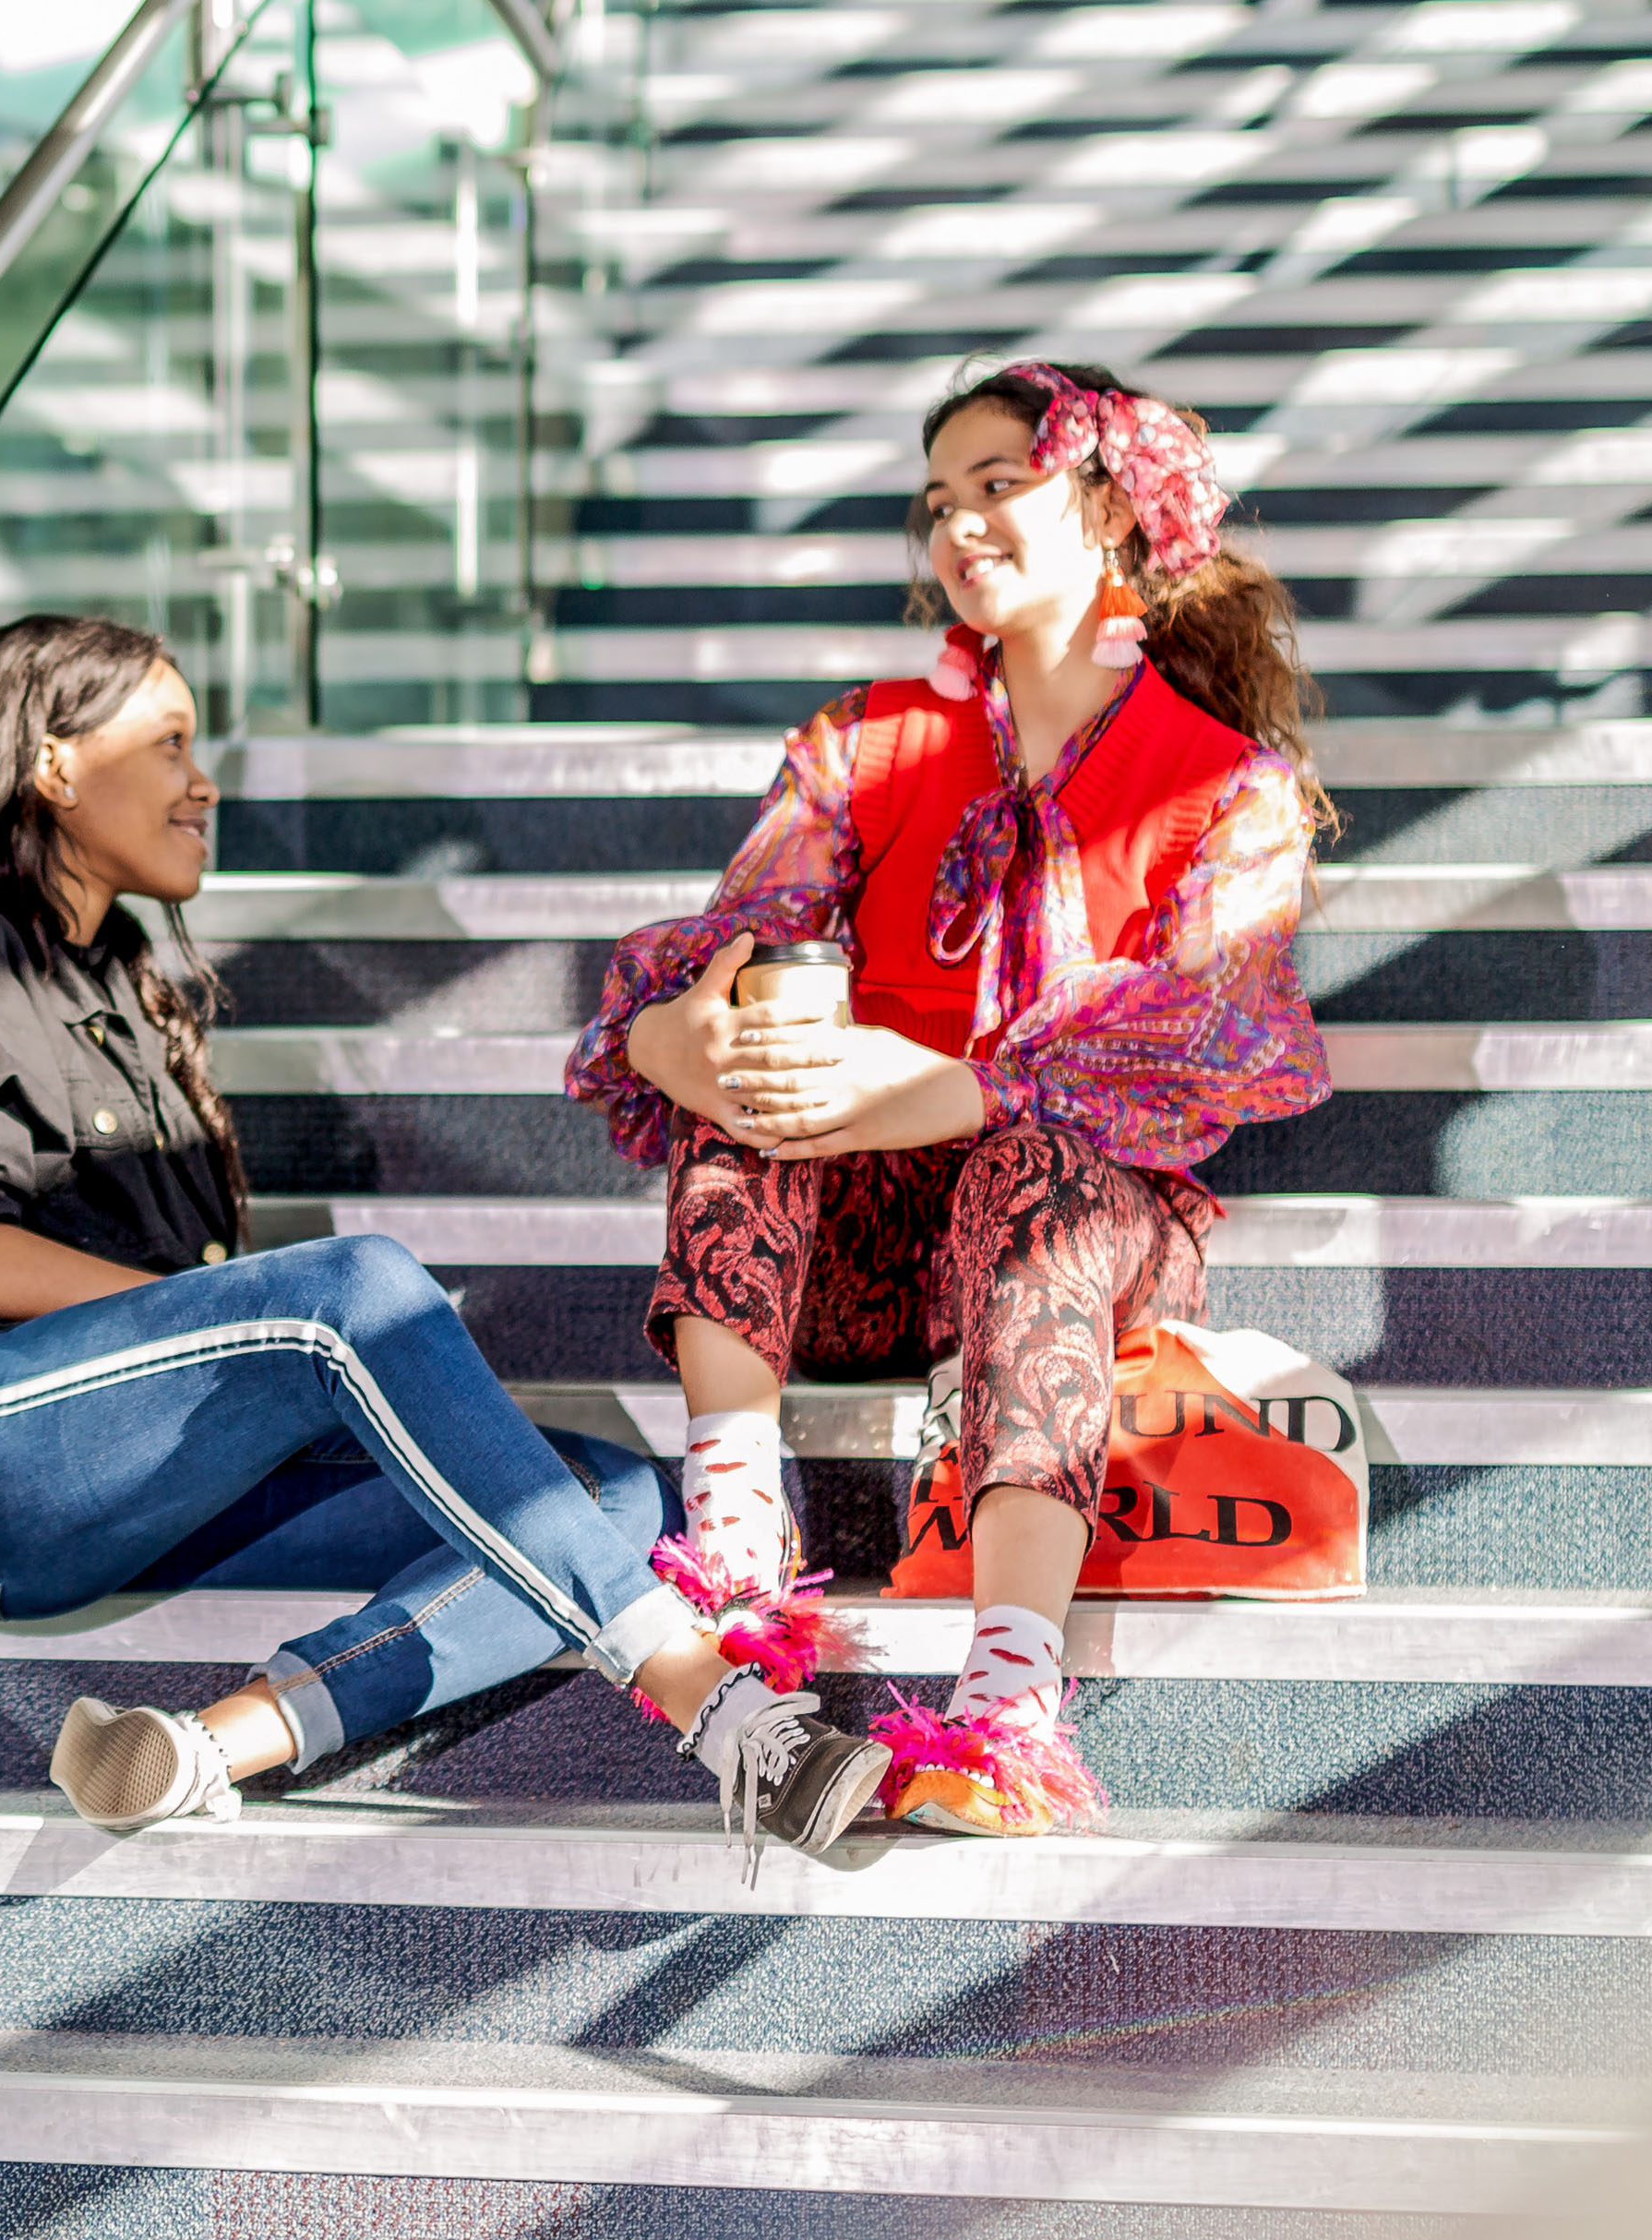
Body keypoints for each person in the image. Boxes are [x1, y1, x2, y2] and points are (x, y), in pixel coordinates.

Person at [0, 614, 890, 1851]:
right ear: (54, 767)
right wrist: (233, 1330)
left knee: (623, 1502)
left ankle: (203, 1747)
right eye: (167, 743)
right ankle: (717, 1712)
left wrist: (231, 1342)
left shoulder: (122, 983)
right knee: (356, 1289)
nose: (200, 780)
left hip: (131, 1483)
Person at [570, 363, 1333, 1838]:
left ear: (1111, 506)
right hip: (856, 1242)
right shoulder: (860, 746)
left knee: (1026, 1181)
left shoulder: (1230, 783)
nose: (959, 527)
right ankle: (734, 1553)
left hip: (1079, 1230)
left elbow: (1204, 1030)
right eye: (939, 503)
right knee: (763, 1078)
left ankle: (1006, 1705)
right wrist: (674, 1032)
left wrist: (952, 1090)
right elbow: (739, 939)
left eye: (999, 485)